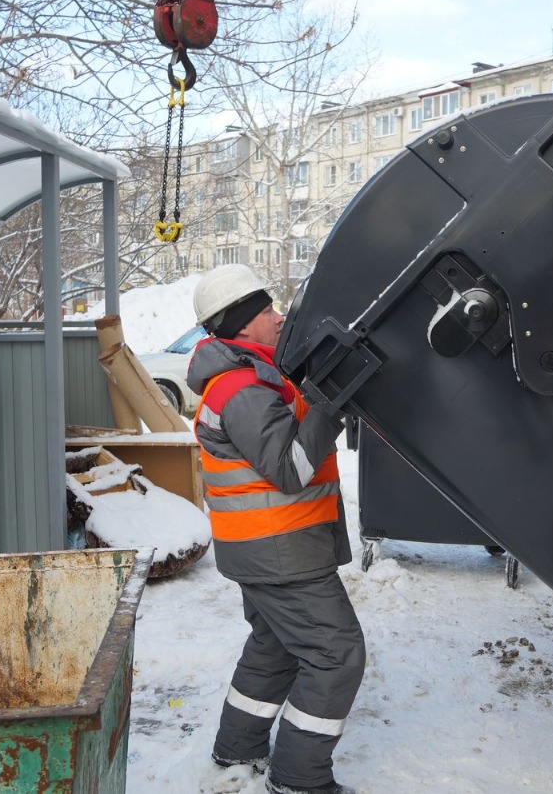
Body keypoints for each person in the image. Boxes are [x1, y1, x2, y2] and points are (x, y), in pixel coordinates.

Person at [186, 263, 365, 794]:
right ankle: (299, 779)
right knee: (337, 655)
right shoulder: (241, 388)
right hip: (279, 551)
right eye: (267, 311)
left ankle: (236, 751)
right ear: (242, 326)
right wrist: (330, 408)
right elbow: (289, 468)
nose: (278, 317)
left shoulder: (258, 375)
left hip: (269, 547)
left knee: (276, 647)